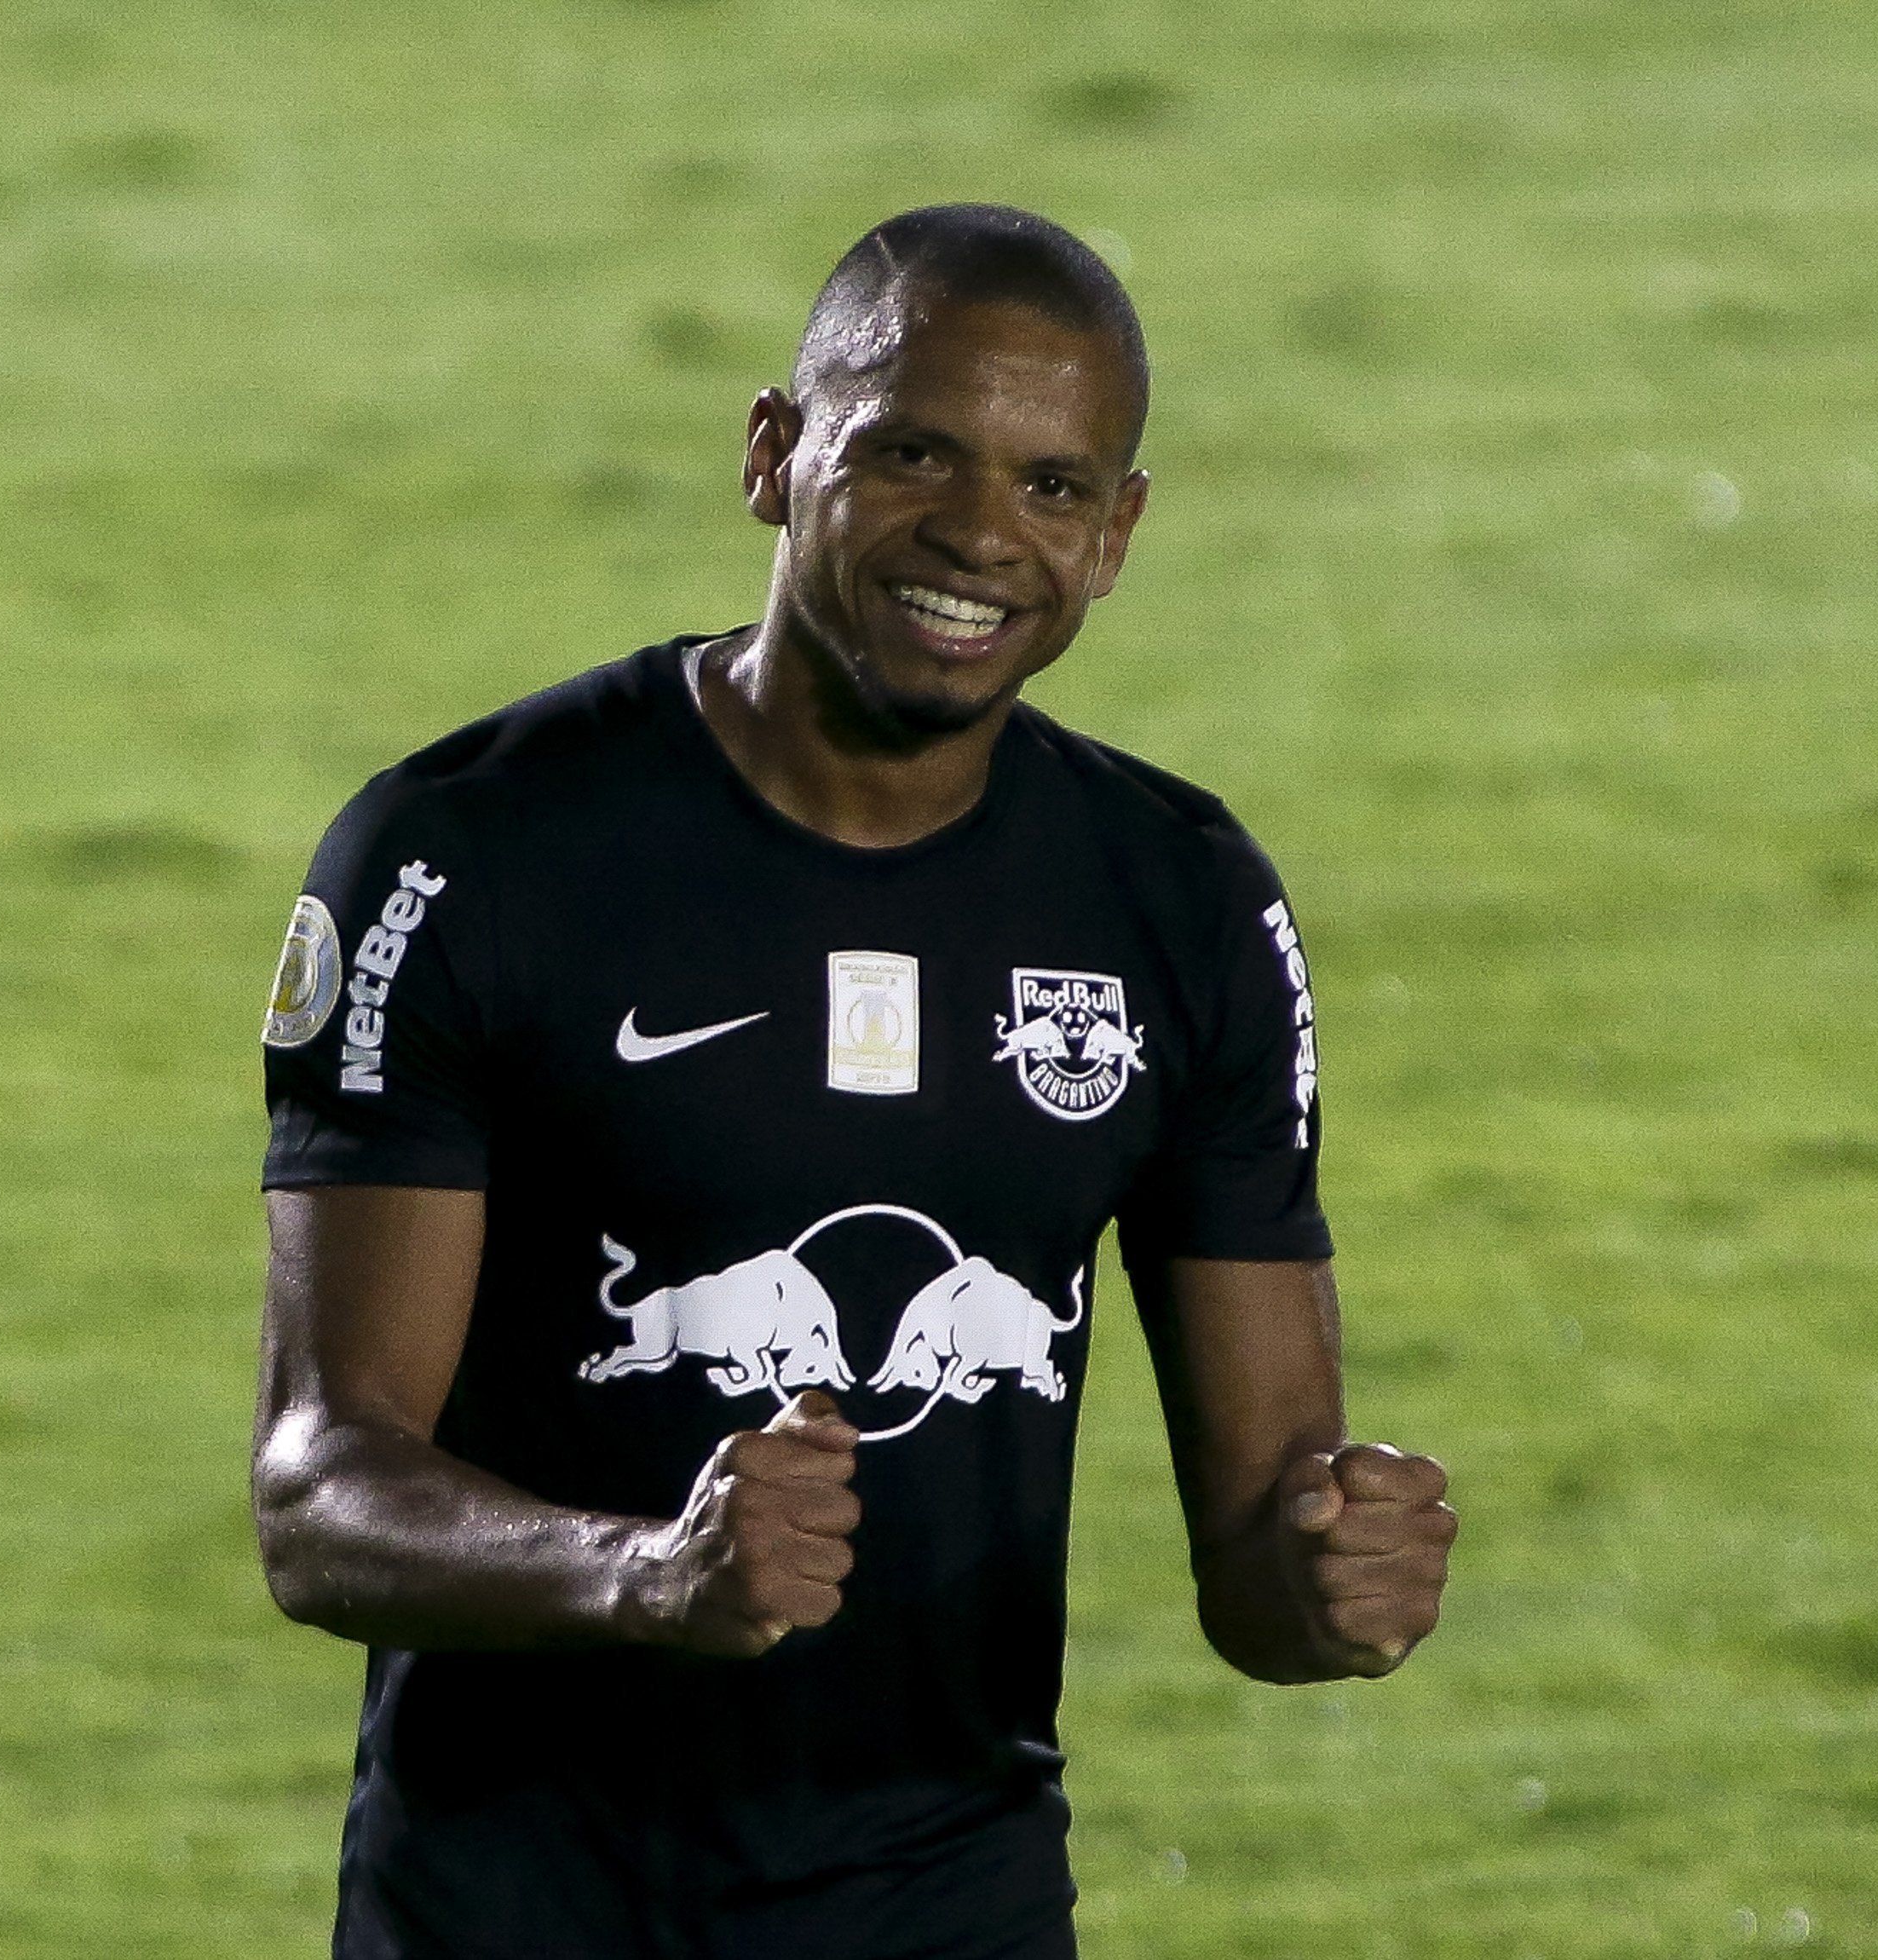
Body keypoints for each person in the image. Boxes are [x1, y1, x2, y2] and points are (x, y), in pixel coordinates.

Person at [254, 204, 1457, 1960]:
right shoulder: (465, 856)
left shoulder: (1177, 901)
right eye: (911, 453)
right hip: (513, 1915)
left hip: (947, 1910)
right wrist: (645, 1573)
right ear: (771, 455)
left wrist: (1331, 1572)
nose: (978, 532)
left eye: (1053, 488)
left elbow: (1256, 1570)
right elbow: (317, 1491)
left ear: (1117, 535)